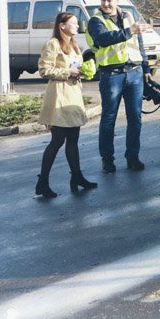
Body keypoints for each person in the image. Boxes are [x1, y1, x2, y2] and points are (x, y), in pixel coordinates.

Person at [87, 0, 152, 173]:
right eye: (103, 0)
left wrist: (146, 67)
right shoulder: (95, 21)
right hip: (111, 75)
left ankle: (133, 157)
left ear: (116, 2)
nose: (105, 4)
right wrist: (129, 31)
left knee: (135, 117)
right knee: (109, 118)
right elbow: (103, 38)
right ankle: (107, 159)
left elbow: (139, 43)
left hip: (134, 72)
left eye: (109, 0)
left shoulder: (128, 17)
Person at [35, 12, 99, 198]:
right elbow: (44, 70)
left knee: (73, 138)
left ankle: (77, 176)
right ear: (62, 25)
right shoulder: (53, 44)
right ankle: (42, 182)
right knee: (57, 140)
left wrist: (83, 72)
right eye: (73, 23)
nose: (77, 26)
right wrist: (68, 72)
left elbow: (75, 67)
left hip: (73, 95)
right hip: (59, 95)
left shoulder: (74, 45)